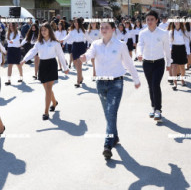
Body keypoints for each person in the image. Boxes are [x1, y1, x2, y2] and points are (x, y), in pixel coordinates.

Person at [80, 21, 140, 159]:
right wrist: (85, 57)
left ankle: (107, 144)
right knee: (108, 114)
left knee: (111, 113)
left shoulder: (121, 45)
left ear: (113, 29)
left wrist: (136, 79)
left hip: (116, 83)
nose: (104, 29)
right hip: (101, 83)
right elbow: (89, 53)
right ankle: (115, 136)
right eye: (102, 27)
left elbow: (129, 63)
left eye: (107, 27)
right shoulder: (96, 44)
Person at [21, 22, 68, 120]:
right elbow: (32, 51)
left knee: (48, 89)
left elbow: (61, 55)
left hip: (51, 65)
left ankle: (46, 112)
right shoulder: (39, 43)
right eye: (41, 30)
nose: (43, 32)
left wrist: (65, 68)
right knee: (47, 89)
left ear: (49, 31)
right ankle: (54, 102)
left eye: (45, 30)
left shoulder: (55, 43)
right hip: (42, 65)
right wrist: (25, 59)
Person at [137, 10, 171, 121]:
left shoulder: (163, 33)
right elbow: (140, 44)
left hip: (159, 63)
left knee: (155, 85)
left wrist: (168, 63)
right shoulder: (143, 33)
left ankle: (158, 110)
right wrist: (139, 53)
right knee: (150, 86)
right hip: (147, 63)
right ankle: (153, 107)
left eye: (152, 19)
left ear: (157, 20)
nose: (149, 21)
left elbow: (167, 49)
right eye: (148, 19)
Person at [62, 18, 92, 87]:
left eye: (77, 22)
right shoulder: (72, 31)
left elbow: (88, 39)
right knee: (76, 64)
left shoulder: (84, 31)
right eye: (74, 22)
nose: (75, 23)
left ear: (79, 23)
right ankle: (81, 77)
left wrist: (95, 44)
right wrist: (61, 41)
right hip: (74, 46)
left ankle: (78, 81)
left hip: (81, 47)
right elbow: (66, 38)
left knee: (79, 64)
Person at [169, 20, 190, 90]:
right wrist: (169, 49)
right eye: (175, 21)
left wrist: (188, 53)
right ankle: (175, 83)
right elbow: (170, 42)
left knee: (182, 67)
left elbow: (187, 43)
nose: (176, 22)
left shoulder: (184, 31)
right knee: (174, 66)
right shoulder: (171, 32)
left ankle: (182, 80)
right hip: (174, 49)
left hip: (182, 49)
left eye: (177, 21)